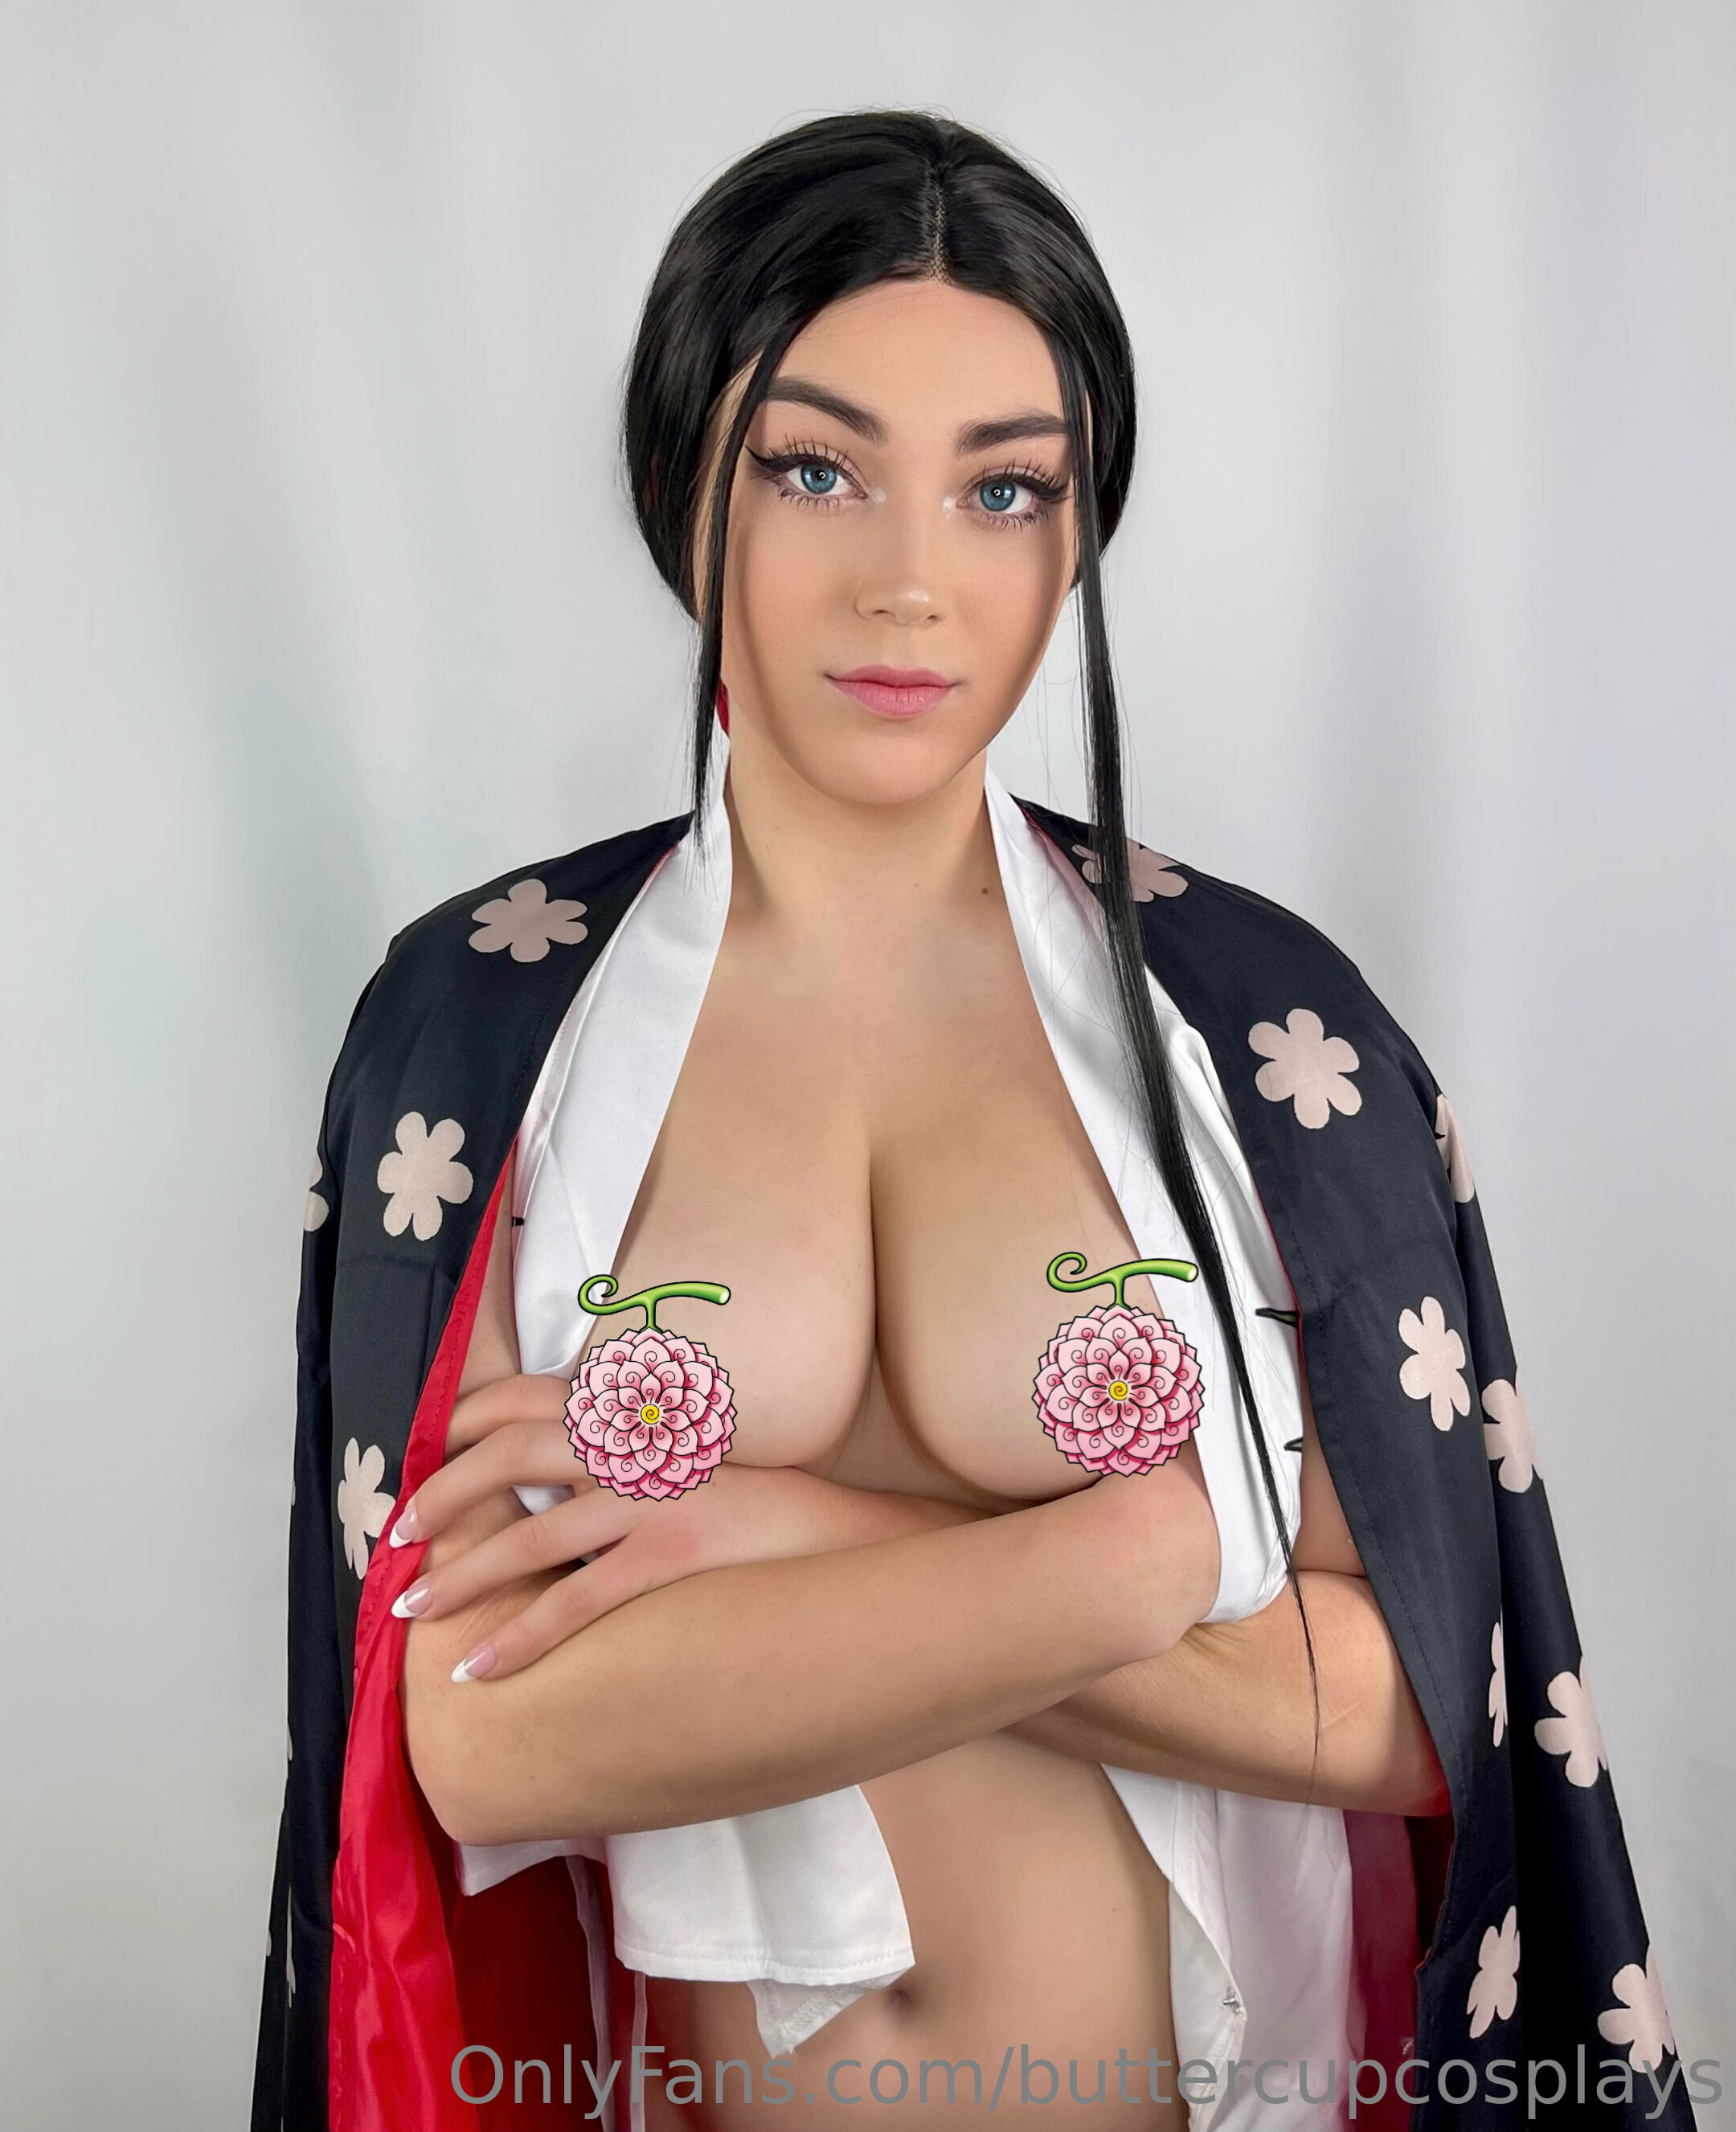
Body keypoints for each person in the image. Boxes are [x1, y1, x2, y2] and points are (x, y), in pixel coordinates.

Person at [254, 110, 1693, 2132]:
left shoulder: (1260, 1030)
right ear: (684, 490)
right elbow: (481, 1739)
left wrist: (799, 1533)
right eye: (815, 468)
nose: (912, 581)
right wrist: (1135, 1554)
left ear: (1077, 534)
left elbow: (1420, 1698)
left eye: (1004, 489)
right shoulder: (494, 1026)